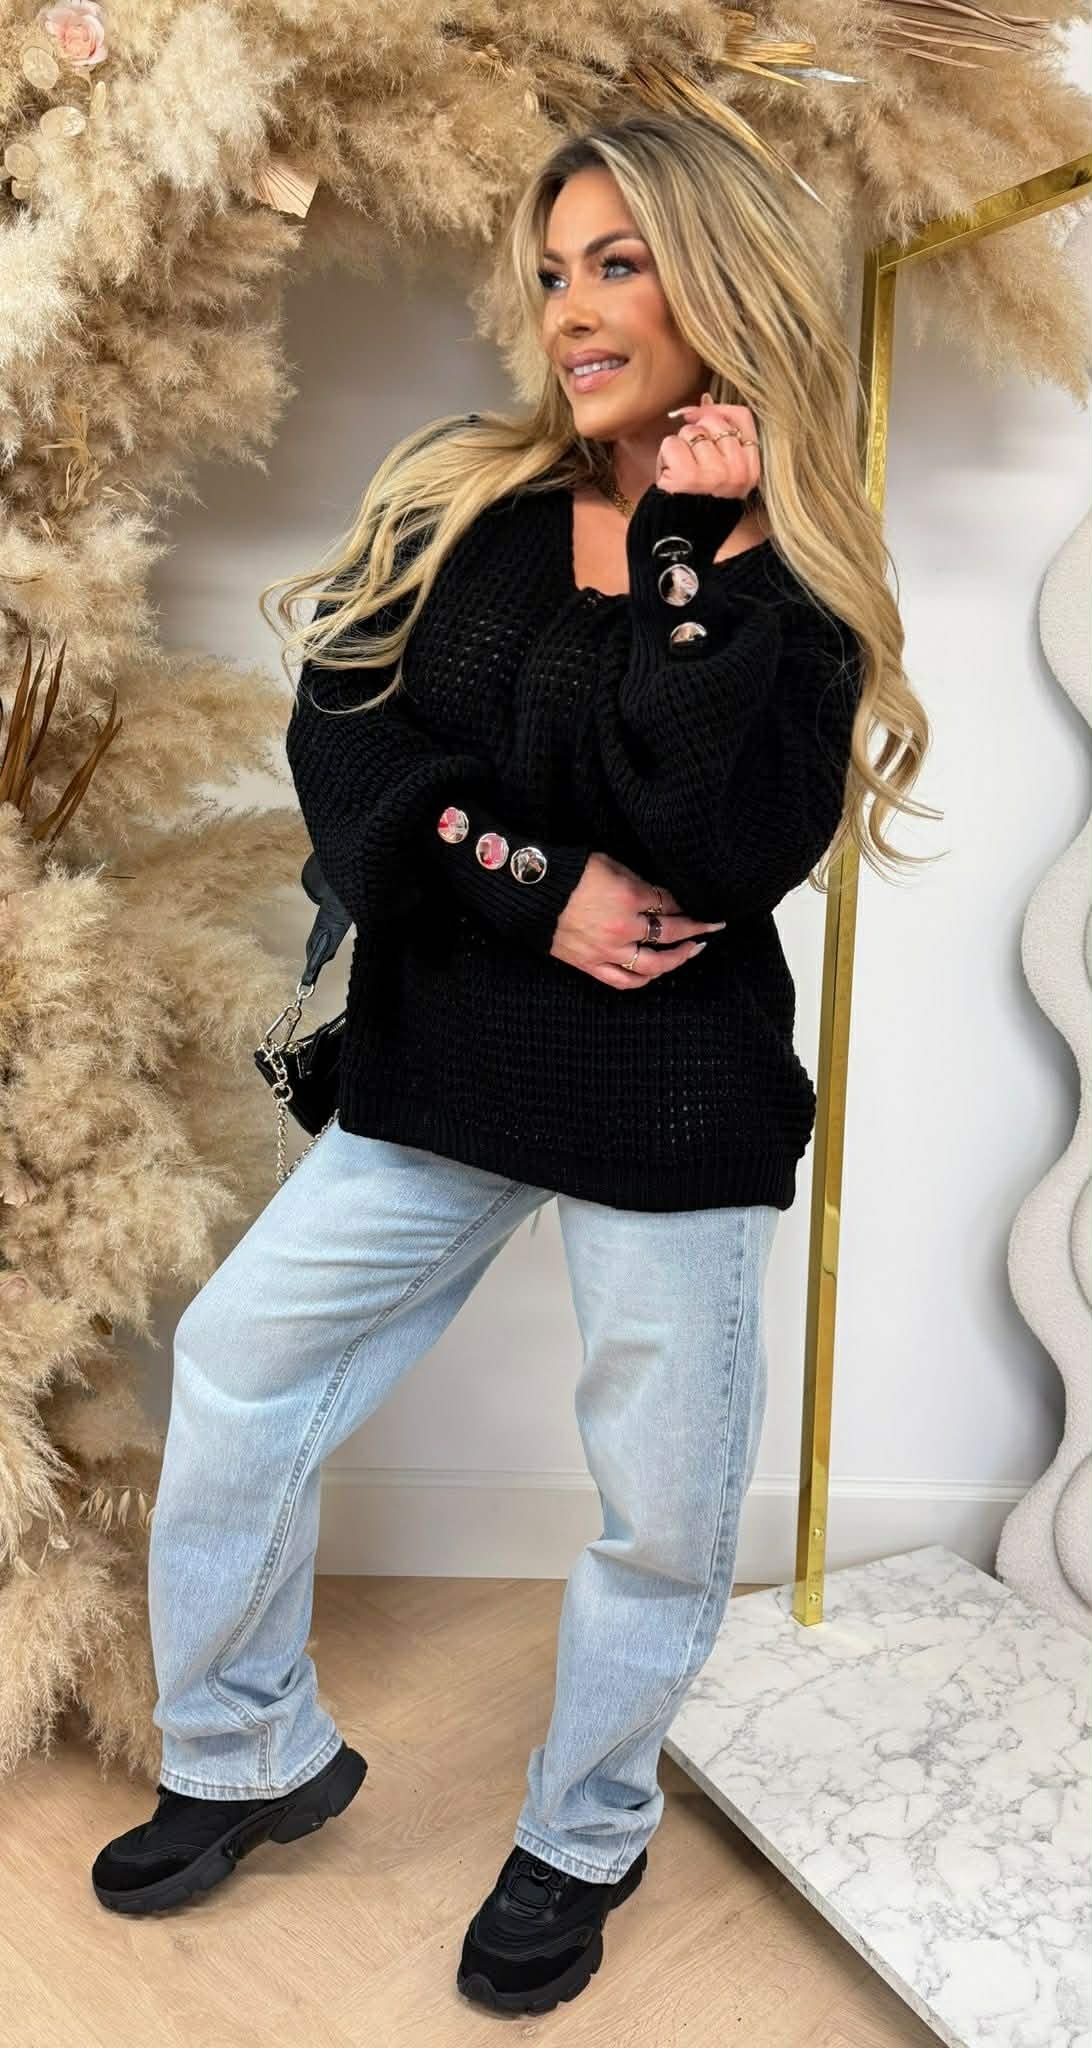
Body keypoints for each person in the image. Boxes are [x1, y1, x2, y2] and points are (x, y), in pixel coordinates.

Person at [91, 108, 932, 2018]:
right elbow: (345, 746)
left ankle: (584, 1828)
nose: (570, 308)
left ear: (719, 284)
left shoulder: (788, 580)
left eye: (618, 263)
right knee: (242, 1364)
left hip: (674, 1097)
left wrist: (691, 557)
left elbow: (714, 842)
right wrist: (534, 883)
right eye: (554, 271)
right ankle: (245, 1749)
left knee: (662, 1506)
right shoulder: (464, 499)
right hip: (451, 1053)